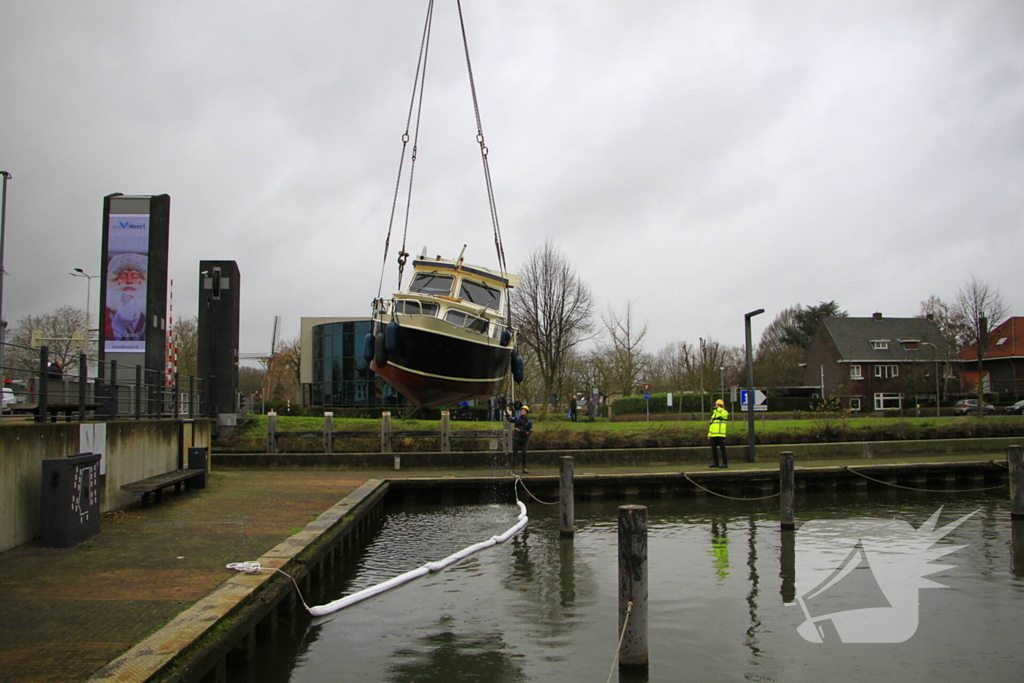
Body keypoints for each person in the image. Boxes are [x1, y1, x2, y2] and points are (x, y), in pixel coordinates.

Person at [104, 252, 148, 342]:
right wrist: (116, 327)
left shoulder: (147, 315)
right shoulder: (106, 313)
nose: (129, 281)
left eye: (135, 276)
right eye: (123, 276)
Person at [507, 405, 533, 474]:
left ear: (526, 412)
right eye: (522, 410)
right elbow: (510, 419)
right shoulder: (517, 418)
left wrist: (527, 433)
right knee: (514, 453)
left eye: (524, 411)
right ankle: (512, 469)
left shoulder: (528, 421)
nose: (522, 412)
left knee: (524, 453)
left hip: (524, 439)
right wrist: (507, 413)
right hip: (516, 438)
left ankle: (524, 468)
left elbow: (530, 429)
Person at [708, 398, 729, 468]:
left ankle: (725, 463)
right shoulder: (714, 414)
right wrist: (709, 434)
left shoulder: (724, 412)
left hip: (721, 434)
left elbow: (724, 415)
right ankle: (716, 463)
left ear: (720, 405)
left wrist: (719, 408)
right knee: (713, 449)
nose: (715, 406)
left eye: (716, 404)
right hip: (713, 434)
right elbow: (711, 425)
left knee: (722, 449)